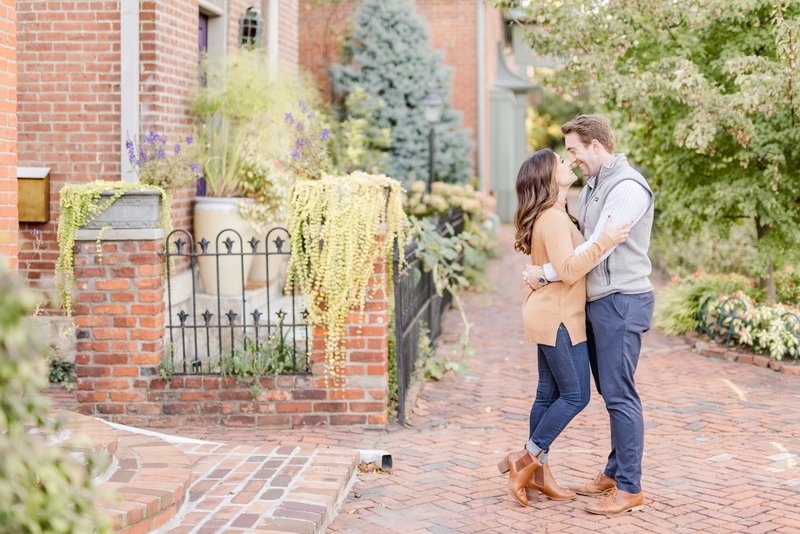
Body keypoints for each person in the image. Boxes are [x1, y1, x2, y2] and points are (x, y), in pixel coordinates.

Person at [523, 114, 655, 516]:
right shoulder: (595, 184)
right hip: (598, 303)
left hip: (622, 301)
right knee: (607, 392)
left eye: (575, 151)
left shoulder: (628, 188)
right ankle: (614, 473)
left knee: (619, 394)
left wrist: (544, 273)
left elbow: (600, 244)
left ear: (596, 146)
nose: (573, 159)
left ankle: (629, 486)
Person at [498, 147, 630, 508]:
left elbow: (557, 267)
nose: (568, 162)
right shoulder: (553, 219)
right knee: (576, 396)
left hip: (548, 312)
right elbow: (571, 269)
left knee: (547, 394)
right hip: (557, 316)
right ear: (547, 177)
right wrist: (607, 240)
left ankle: (538, 473)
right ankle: (525, 459)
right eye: (560, 161)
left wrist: (541, 273)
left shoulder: (553, 213)